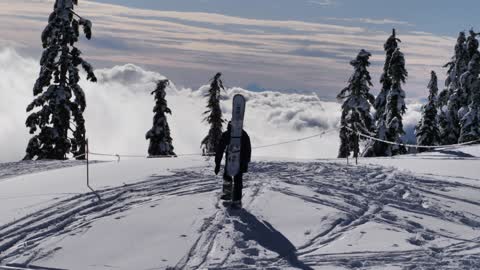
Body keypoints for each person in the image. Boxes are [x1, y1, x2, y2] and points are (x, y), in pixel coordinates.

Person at [215, 122, 251, 208]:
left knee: (231, 177)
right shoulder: (242, 134)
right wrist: (217, 164)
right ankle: (234, 199)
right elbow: (248, 149)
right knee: (233, 178)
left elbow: (220, 150)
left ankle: (232, 198)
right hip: (236, 160)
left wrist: (217, 164)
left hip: (235, 160)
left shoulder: (229, 134)